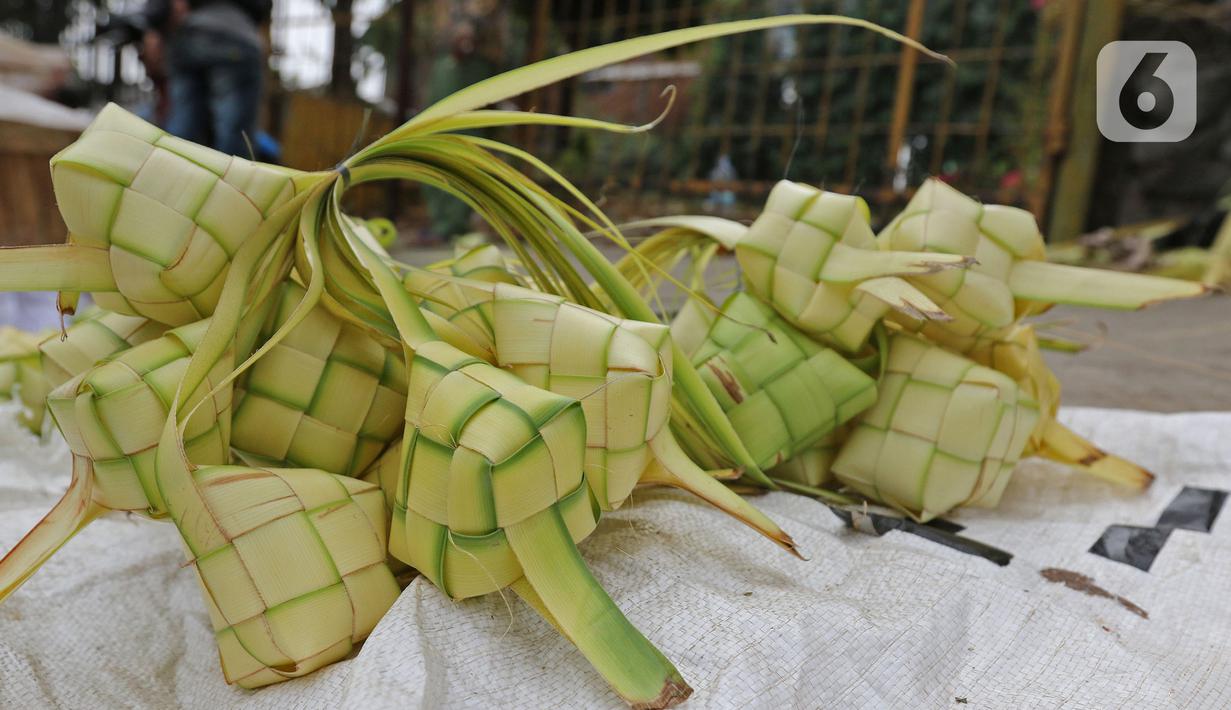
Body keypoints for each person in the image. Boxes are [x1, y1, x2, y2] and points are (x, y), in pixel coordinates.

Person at [141, 0, 271, 157]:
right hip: (233, 34)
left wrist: (155, 27)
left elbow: (156, 11)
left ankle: (175, 176)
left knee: (182, 127)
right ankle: (232, 179)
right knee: (235, 132)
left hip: (184, 36)